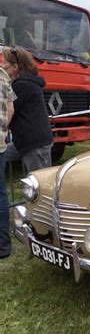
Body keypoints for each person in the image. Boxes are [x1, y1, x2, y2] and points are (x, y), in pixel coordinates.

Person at [1, 46, 53, 173]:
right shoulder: (27, 83)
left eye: (5, 62)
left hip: (34, 143)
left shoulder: (22, 85)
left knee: (38, 183)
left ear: (15, 67)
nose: (2, 65)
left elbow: (9, 109)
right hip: (29, 141)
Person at [0, 67, 14, 259]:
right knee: (1, 193)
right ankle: (3, 245)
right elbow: (11, 108)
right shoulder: (3, 75)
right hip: (0, 143)